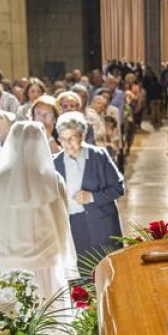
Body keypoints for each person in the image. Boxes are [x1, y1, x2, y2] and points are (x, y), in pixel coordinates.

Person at [0, 121, 78, 306]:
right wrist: (68, 262)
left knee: (11, 321)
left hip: (9, 261)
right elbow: (63, 223)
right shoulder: (53, 180)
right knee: (48, 318)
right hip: (46, 261)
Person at [52, 112, 124, 271]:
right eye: (62, 139)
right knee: (82, 276)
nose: (67, 144)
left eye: (72, 138)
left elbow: (118, 187)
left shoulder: (99, 156)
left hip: (102, 224)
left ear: (82, 135)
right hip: (73, 227)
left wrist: (92, 197)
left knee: (107, 272)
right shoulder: (55, 163)